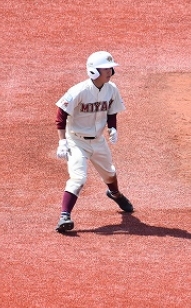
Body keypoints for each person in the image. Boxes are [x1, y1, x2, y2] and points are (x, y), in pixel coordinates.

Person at [53, 51, 133, 233]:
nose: (110, 71)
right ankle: (64, 216)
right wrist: (62, 142)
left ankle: (115, 194)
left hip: (98, 141)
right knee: (78, 178)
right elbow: (61, 114)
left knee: (110, 173)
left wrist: (113, 127)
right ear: (93, 71)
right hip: (76, 141)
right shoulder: (79, 91)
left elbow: (112, 110)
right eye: (106, 68)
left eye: (111, 68)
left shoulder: (111, 89)